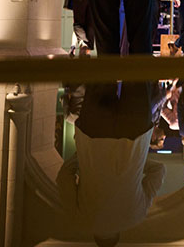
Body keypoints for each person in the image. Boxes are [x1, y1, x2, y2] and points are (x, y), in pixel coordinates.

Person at [56, 80, 165, 243]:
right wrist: (85, 156)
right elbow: (64, 176)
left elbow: (158, 171)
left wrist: (135, 160)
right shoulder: (80, 218)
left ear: (117, 235)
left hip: (134, 134)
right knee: (103, 73)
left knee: (138, 74)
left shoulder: (135, 216)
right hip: (94, 134)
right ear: (96, 236)